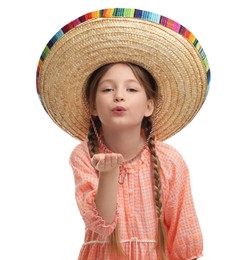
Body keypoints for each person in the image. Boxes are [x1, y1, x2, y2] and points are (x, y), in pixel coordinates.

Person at [36, 8, 210, 260]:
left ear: (149, 105)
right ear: (93, 106)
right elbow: (101, 224)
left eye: (131, 89)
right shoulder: (84, 155)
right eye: (107, 89)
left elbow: (184, 233)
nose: (119, 95)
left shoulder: (170, 160)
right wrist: (108, 174)